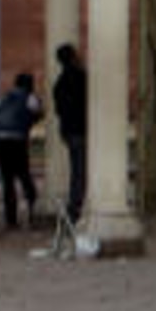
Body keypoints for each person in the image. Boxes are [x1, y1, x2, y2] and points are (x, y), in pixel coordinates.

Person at [0, 71, 44, 229]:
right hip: (16, 141)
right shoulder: (30, 97)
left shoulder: (3, 98)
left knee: (8, 181)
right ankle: (34, 212)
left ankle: (10, 219)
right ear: (30, 85)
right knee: (24, 175)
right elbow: (38, 113)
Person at [53, 44, 87, 224]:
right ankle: (76, 208)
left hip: (68, 131)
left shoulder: (59, 83)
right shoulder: (81, 78)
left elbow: (59, 110)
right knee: (81, 171)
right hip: (81, 130)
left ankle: (75, 206)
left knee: (77, 170)